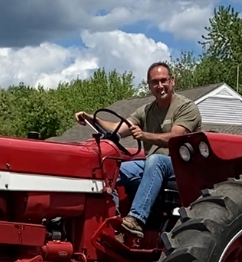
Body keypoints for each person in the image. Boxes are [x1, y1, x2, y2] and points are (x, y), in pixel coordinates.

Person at [74, 62, 202, 237]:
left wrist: (144, 135)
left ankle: (136, 218)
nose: (160, 86)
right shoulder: (146, 110)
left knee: (155, 160)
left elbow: (175, 138)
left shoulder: (186, 107)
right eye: (155, 82)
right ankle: (113, 221)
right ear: (149, 85)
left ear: (172, 81)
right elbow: (118, 128)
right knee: (109, 169)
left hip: (180, 166)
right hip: (151, 164)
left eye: (164, 80)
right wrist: (92, 119)